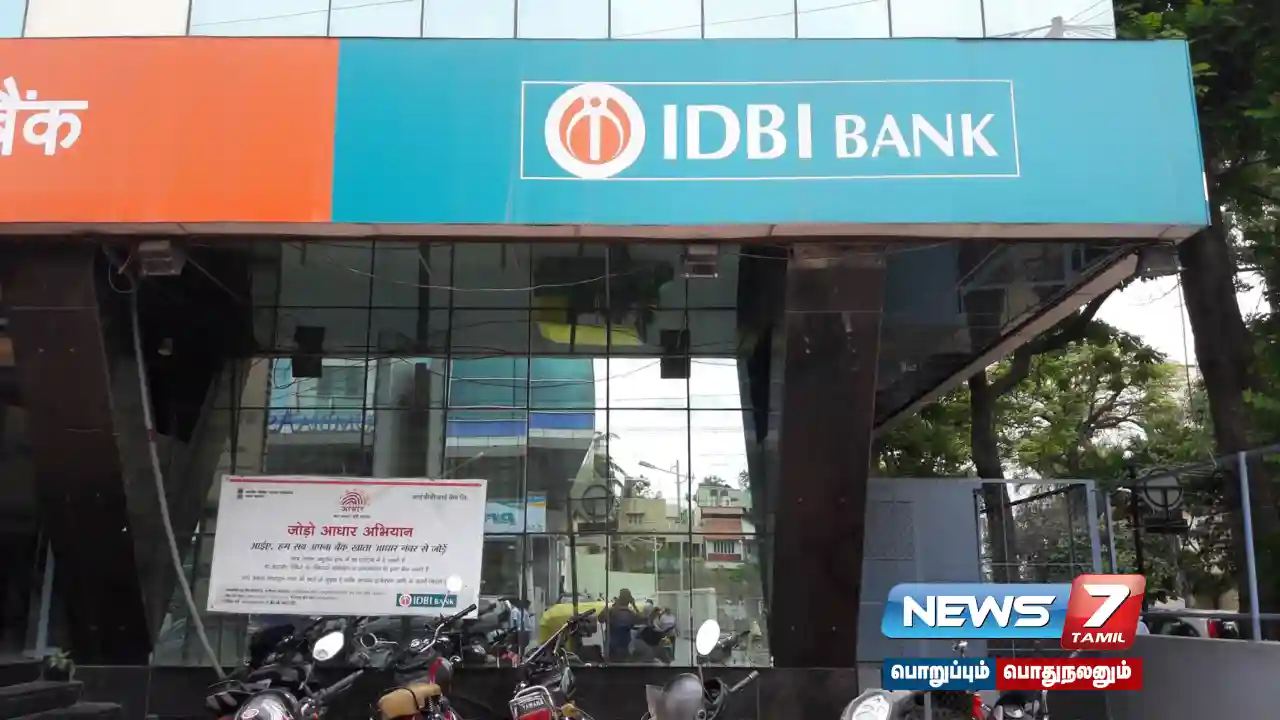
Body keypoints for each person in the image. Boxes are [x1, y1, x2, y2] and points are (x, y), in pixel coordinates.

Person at [604, 588, 640, 662]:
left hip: (613, 644)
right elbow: (640, 620)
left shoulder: (612, 610)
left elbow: (600, 618)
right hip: (625, 643)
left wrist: (613, 604)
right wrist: (634, 605)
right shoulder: (630, 613)